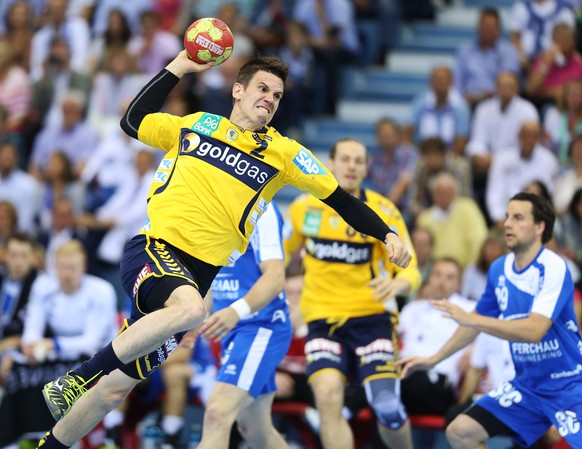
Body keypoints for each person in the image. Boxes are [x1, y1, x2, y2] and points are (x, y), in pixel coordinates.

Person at [36, 52, 412, 449]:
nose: (270, 98)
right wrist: (180, 65)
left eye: (278, 95)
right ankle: (76, 378)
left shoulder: (283, 154)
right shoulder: (198, 125)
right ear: (237, 90)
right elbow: (133, 121)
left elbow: (342, 200)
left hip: (194, 278)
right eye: (262, 89)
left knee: (112, 391)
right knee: (192, 310)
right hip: (154, 249)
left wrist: (387, 234)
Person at [397, 192, 582, 448]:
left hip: (569, 385)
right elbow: (474, 322)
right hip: (527, 387)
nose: (507, 224)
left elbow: (534, 331)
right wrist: (432, 359)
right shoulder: (499, 270)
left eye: (518, 218)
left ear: (540, 227)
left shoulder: (553, 267)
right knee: (460, 432)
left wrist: (475, 322)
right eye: (507, 217)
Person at [284, 138, 420, 449]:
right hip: (322, 320)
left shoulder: (384, 211)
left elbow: (410, 269)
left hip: (372, 318)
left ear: (366, 168)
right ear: (330, 164)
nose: (351, 166)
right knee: (327, 398)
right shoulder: (304, 209)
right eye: (345, 159)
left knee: (386, 406)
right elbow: (277, 258)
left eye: (358, 161)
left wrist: (398, 284)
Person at [196, 201, 290, 449]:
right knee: (255, 429)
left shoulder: (263, 209)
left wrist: (236, 311)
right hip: (234, 328)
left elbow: (276, 276)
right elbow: (208, 277)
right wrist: (193, 320)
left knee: (217, 412)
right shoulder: (208, 207)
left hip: (262, 326)